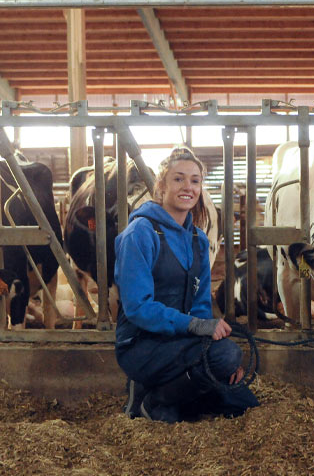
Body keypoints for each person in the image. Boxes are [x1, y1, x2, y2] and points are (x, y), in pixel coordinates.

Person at [114, 146, 259, 423]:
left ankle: (162, 392)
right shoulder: (140, 233)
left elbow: (202, 304)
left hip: (178, 343)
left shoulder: (198, 240)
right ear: (161, 185)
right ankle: (152, 401)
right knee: (227, 356)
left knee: (241, 401)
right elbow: (137, 307)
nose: (188, 187)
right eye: (178, 179)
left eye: (195, 180)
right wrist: (196, 328)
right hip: (141, 344)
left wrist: (210, 340)